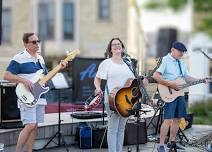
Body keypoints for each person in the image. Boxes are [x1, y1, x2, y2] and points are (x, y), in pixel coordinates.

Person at [3, 33, 68, 152]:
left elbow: (45, 76)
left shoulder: (40, 58)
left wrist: (60, 67)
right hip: (26, 96)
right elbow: (6, 75)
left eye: (38, 41)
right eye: (33, 42)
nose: (37, 44)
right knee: (30, 125)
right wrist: (24, 80)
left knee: (35, 126)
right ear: (26, 44)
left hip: (39, 95)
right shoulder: (19, 57)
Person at [153, 41, 210, 152]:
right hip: (168, 93)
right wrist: (171, 84)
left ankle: (172, 142)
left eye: (183, 52)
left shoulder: (181, 62)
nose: (182, 54)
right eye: (180, 52)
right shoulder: (165, 60)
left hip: (179, 93)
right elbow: (156, 76)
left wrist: (201, 80)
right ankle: (160, 145)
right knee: (168, 120)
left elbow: (186, 77)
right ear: (173, 50)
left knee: (178, 119)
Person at [94, 37, 148, 152]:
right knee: (113, 129)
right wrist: (98, 88)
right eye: (114, 44)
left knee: (121, 129)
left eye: (118, 44)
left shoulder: (128, 63)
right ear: (110, 49)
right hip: (112, 100)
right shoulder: (106, 63)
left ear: (122, 47)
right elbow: (97, 79)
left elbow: (133, 83)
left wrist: (143, 82)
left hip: (126, 101)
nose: (117, 46)